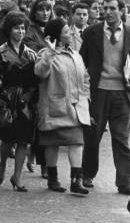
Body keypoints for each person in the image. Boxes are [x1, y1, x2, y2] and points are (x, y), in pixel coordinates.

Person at [79, 0, 130, 195]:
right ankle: (87, 174)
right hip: (98, 92)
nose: (107, 12)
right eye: (104, 8)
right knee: (92, 136)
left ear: (122, 10)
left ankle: (124, 181)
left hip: (122, 94)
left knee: (121, 138)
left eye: (112, 8)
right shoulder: (91, 33)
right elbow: (82, 61)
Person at [34, 18, 91, 194]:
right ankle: (53, 179)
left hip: (76, 108)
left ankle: (76, 181)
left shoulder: (76, 54)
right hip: (54, 107)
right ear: (56, 35)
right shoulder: (46, 53)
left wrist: (86, 98)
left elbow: (86, 79)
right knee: (52, 144)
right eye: (67, 31)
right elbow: (40, 73)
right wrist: (50, 52)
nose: (71, 33)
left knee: (77, 142)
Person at [0, 11, 39, 191]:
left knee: (24, 140)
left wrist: (29, 97)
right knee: (8, 139)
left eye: (23, 28)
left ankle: (17, 176)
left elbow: (35, 81)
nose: (20, 31)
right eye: (16, 28)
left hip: (26, 100)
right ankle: (2, 163)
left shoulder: (32, 54)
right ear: (9, 30)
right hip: (6, 98)